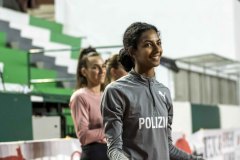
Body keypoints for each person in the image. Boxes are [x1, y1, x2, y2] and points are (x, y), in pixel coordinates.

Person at [101, 22, 204, 160]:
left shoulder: (164, 92)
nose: (157, 49)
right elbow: (114, 150)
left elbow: (167, 147)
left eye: (158, 43)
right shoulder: (116, 91)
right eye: (148, 44)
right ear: (132, 51)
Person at [69, 52, 109, 160]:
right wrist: (111, 130)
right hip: (95, 154)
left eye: (103, 66)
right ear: (84, 72)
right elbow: (84, 136)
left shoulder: (107, 95)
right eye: (95, 68)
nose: (101, 71)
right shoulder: (80, 97)